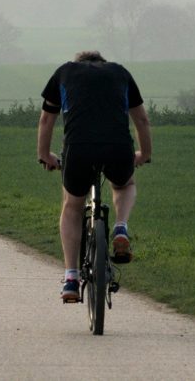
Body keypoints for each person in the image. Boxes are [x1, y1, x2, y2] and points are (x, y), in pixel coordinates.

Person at [36, 51, 152, 302]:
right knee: (124, 184)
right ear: (102, 62)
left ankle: (70, 278)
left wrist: (45, 155)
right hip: (118, 148)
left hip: (78, 149)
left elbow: (46, 119)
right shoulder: (120, 73)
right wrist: (144, 154)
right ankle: (121, 227)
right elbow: (141, 119)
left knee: (72, 206)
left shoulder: (64, 73)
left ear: (79, 64)